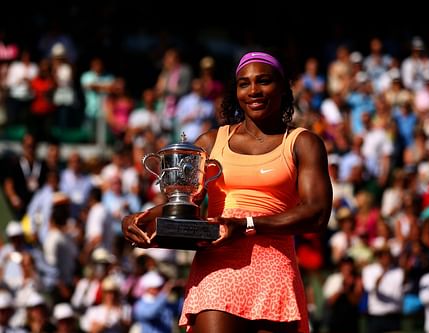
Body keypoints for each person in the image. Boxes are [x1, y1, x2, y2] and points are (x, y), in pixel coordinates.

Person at [122, 51, 333, 333]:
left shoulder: (303, 142)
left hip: (273, 270)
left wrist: (245, 225)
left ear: (283, 87)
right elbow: (184, 204)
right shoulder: (211, 141)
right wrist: (142, 219)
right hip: (217, 265)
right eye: (244, 83)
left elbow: (317, 215)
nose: (254, 90)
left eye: (264, 81)